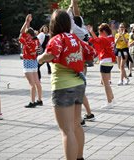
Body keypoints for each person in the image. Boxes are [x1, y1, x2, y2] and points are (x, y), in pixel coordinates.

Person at [37, 9, 95, 160]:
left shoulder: (57, 39)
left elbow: (52, 54)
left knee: (66, 130)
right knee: (76, 125)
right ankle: (80, 157)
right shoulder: (74, 38)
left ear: (53, 24)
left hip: (63, 86)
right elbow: (91, 52)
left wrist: (40, 58)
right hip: (79, 84)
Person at [67, 0, 95, 124]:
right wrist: (74, 4)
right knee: (80, 89)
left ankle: (80, 118)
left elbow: (69, 16)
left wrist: (70, 5)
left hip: (76, 62)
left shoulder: (75, 29)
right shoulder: (83, 28)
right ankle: (89, 114)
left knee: (75, 90)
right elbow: (77, 16)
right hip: (82, 63)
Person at [87, 23, 116, 108]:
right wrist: (92, 33)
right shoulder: (111, 38)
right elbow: (98, 40)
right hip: (110, 61)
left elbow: (96, 41)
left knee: (105, 83)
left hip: (105, 61)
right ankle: (112, 99)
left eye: (99, 32)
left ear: (103, 32)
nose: (99, 34)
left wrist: (91, 34)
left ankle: (109, 102)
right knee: (107, 83)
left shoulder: (104, 39)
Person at [19, 14, 43, 108]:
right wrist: (28, 22)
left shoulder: (26, 39)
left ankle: (32, 102)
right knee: (37, 82)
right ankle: (39, 100)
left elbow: (21, 32)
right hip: (34, 62)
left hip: (27, 62)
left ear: (28, 34)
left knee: (31, 84)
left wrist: (27, 21)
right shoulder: (36, 40)